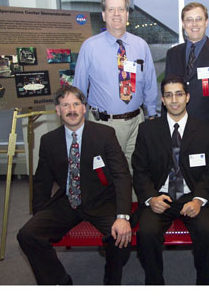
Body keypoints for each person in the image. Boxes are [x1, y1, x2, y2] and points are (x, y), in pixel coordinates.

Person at [17, 86, 133, 285]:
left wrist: (122, 217)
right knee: (28, 235)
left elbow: (122, 175)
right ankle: (59, 283)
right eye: (65, 105)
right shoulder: (49, 141)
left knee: (119, 239)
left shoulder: (105, 134)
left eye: (76, 104)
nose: (72, 109)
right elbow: (42, 182)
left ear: (84, 108)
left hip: (102, 201)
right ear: (57, 110)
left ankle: (111, 281)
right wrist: (40, 215)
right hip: (67, 202)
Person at [132, 75, 209, 285]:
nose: (174, 100)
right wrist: (151, 199)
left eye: (179, 94)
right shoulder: (147, 130)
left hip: (193, 195)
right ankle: (155, 284)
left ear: (187, 97)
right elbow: (140, 170)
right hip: (159, 196)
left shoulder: (205, 130)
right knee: (146, 233)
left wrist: (199, 200)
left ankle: (205, 284)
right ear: (162, 100)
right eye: (168, 95)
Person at [73, 0, 158, 173]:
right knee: (109, 177)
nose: (117, 14)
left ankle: (135, 204)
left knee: (138, 173)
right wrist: (78, 121)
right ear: (104, 15)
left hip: (137, 123)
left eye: (121, 9)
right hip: (104, 125)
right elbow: (78, 89)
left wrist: (151, 115)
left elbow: (150, 83)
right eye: (111, 9)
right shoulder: (90, 47)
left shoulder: (140, 46)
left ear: (127, 14)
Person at [165, 2, 209, 148]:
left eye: (198, 19)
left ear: (206, 22)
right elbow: (166, 91)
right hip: (179, 128)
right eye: (189, 19)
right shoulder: (173, 54)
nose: (194, 24)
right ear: (183, 23)